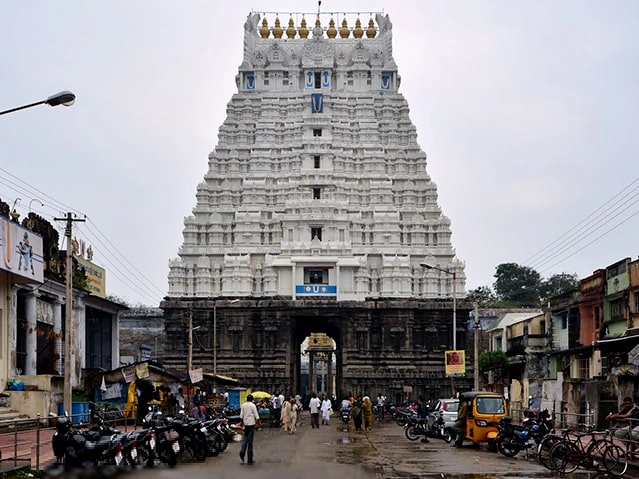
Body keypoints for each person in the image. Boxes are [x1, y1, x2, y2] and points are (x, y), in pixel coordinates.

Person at [239, 394, 259, 465]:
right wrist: (257, 424)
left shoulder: (243, 405)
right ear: (252, 399)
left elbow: (241, 416)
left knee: (245, 440)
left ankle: (242, 452)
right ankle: (249, 458)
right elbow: (257, 416)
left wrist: (241, 423)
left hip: (245, 424)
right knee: (250, 442)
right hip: (251, 425)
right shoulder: (253, 405)